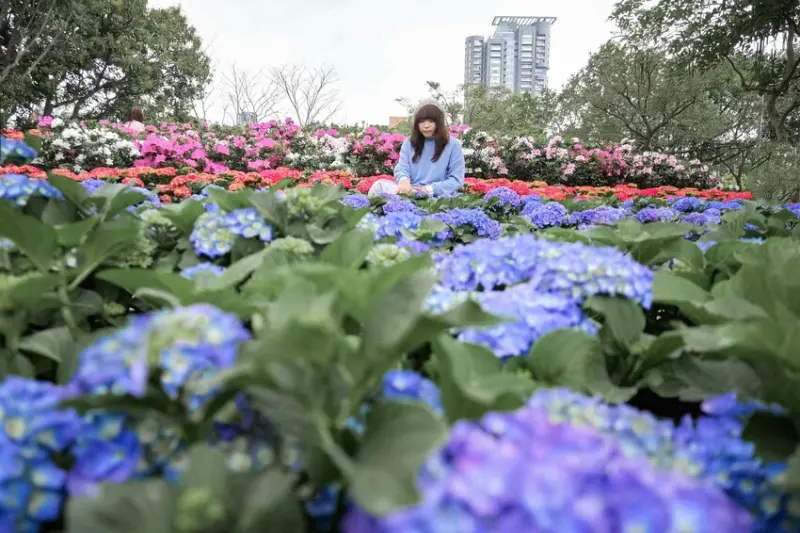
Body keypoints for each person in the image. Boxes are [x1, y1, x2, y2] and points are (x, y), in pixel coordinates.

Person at [368, 102, 465, 198]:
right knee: (379, 186)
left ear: (439, 122)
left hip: (437, 195)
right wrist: (404, 181)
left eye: (431, 121)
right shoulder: (409, 143)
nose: (426, 125)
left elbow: (456, 180)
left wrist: (430, 189)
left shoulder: (453, 145)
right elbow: (402, 168)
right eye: (421, 121)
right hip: (410, 192)